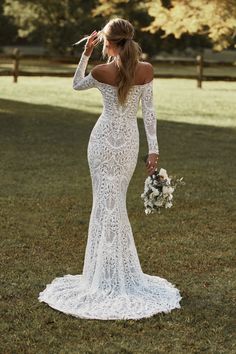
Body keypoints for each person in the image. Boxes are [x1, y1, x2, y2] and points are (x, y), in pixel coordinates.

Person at [38, 18, 181, 320]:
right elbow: (150, 114)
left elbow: (76, 85)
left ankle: (106, 274)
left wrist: (85, 53)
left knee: (107, 205)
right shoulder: (146, 70)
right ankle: (107, 272)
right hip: (126, 143)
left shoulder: (100, 70)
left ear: (109, 43)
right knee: (111, 204)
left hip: (102, 143)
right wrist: (153, 149)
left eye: (102, 40)